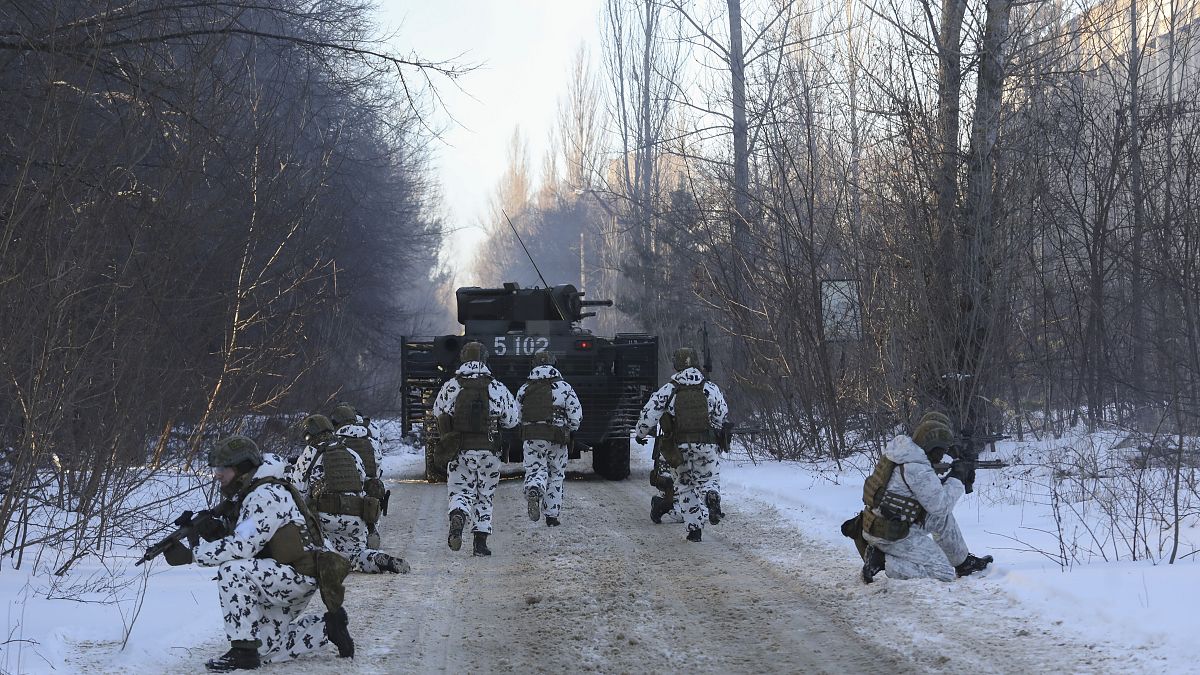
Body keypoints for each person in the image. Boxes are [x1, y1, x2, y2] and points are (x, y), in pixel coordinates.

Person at [161, 436, 354, 671]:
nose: (217, 475)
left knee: (233, 571)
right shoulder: (254, 490)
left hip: (295, 576)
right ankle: (326, 628)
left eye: (223, 469)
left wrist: (192, 555)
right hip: (284, 575)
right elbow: (250, 537)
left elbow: (243, 547)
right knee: (264, 649)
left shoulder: (265, 495)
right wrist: (214, 532)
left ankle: (243, 651)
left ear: (242, 468)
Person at [858, 420, 993, 583]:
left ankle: (963, 563)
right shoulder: (916, 468)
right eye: (941, 449)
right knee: (943, 573)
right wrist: (957, 478)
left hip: (887, 523)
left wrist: (953, 476)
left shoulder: (903, 454)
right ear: (931, 446)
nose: (943, 454)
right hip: (890, 534)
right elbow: (941, 506)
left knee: (941, 519)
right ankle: (882, 561)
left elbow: (928, 494)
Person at [290, 414, 409, 575]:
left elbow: (297, 492)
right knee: (355, 555)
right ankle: (376, 559)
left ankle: (325, 558)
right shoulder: (352, 453)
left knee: (314, 546)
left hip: (325, 520)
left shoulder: (311, 453)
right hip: (355, 519)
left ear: (309, 434)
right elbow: (362, 484)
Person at [634, 347, 729, 542]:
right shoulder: (710, 388)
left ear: (676, 365)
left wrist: (640, 433)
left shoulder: (670, 389)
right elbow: (722, 416)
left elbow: (649, 413)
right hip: (707, 445)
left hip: (679, 448)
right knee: (709, 480)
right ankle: (711, 495)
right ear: (696, 363)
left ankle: (694, 531)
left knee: (685, 487)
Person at [432, 341, 518, 555]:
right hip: (489, 452)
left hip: (460, 450)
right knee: (484, 495)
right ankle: (480, 543)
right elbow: (513, 420)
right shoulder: (496, 387)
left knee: (460, 492)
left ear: (463, 358)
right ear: (485, 359)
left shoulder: (452, 386)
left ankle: (459, 517)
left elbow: (437, 412)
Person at [515, 350, 582, 526]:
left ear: (534, 365)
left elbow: (516, 416)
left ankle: (534, 488)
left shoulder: (524, 389)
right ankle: (551, 516)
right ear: (554, 365)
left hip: (532, 437)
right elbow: (576, 417)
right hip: (557, 437)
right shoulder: (565, 388)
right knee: (556, 474)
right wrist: (570, 428)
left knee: (535, 469)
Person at [330, 404, 388, 549]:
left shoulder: (335, 441)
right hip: (370, 492)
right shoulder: (370, 439)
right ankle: (371, 526)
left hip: (347, 491)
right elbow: (378, 465)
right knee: (375, 488)